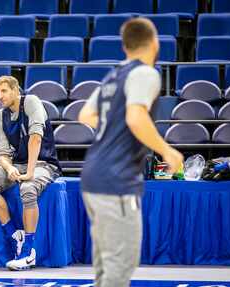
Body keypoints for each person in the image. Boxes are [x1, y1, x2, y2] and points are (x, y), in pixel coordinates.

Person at [78, 18, 183, 287]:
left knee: (106, 268)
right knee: (119, 268)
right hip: (117, 180)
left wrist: (115, 126)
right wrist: (167, 151)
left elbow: (85, 114)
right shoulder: (146, 73)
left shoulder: (114, 75)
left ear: (125, 47)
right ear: (154, 41)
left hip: (92, 176)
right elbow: (136, 117)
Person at [0, 75, 61, 271]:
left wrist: (30, 172)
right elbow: (2, 155)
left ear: (16, 90)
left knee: (28, 187)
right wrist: (10, 168)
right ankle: (15, 235)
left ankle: (29, 252)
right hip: (18, 164)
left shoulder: (31, 101)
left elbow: (35, 139)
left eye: (4, 91)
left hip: (44, 163)